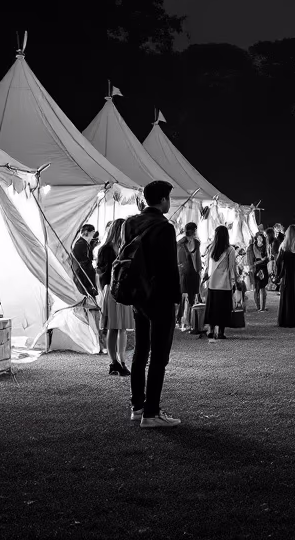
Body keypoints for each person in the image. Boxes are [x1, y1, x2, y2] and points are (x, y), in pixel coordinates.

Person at [126, 180, 181, 428]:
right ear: (162, 200)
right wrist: (176, 300)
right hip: (159, 297)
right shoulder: (164, 227)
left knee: (140, 352)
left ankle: (137, 406)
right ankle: (151, 413)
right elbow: (170, 268)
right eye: (168, 197)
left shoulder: (131, 223)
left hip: (138, 295)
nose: (170, 202)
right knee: (159, 356)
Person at [97, 218, 133, 376]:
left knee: (119, 328)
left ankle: (118, 362)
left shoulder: (112, 248)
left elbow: (101, 272)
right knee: (116, 328)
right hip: (116, 290)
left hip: (117, 290)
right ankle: (117, 362)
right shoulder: (112, 249)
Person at [201, 225, 237, 340]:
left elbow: (207, 266)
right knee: (223, 308)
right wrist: (233, 282)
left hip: (213, 282)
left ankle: (211, 330)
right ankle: (221, 332)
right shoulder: (230, 249)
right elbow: (231, 268)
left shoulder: (211, 248)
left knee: (212, 307)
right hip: (224, 283)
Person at [176, 223, 202, 333]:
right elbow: (178, 260)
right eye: (195, 230)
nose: (196, 232)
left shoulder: (197, 243)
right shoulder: (180, 243)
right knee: (183, 296)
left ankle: (191, 322)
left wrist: (200, 271)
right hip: (183, 273)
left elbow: (198, 258)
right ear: (192, 230)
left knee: (192, 297)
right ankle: (181, 319)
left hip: (194, 273)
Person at [72, 224, 99, 299]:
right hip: (84, 276)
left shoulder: (85, 243)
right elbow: (82, 263)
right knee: (88, 298)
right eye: (93, 231)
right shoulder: (80, 244)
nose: (94, 234)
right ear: (87, 232)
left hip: (86, 274)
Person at [247, 231, 271, 311]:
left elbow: (268, 258)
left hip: (264, 269)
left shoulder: (267, 246)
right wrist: (261, 260)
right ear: (256, 238)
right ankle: (258, 307)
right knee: (256, 288)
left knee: (263, 288)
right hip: (255, 269)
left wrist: (262, 260)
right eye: (259, 237)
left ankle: (262, 307)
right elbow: (250, 262)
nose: (260, 238)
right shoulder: (251, 247)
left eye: (262, 237)